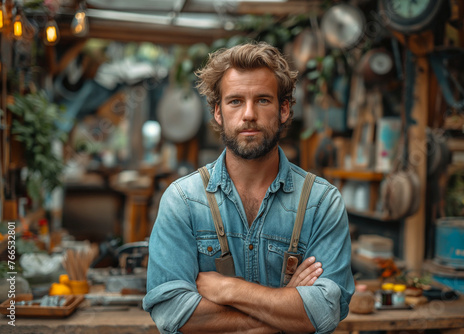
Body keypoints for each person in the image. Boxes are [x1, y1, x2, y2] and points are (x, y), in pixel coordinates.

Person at [143, 41, 354, 334]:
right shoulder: (182, 201)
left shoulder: (321, 202)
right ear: (218, 112)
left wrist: (230, 289)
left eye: (263, 100)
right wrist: (286, 308)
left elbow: (325, 311)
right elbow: (171, 313)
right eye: (235, 101)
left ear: (283, 109)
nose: (249, 114)